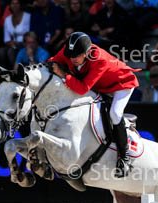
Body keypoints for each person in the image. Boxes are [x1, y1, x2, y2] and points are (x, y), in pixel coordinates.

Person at [49, 32, 140, 177]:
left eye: (77, 56)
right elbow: (52, 62)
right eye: (70, 56)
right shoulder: (69, 51)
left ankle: (124, 157)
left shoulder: (99, 59)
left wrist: (64, 75)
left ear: (87, 52)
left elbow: (82, 88)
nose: (72, 59)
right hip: (99, 86)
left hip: (121, 84)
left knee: (115, 114)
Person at [0, 0, 31, 68]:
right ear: (10, 5)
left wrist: (19, 43)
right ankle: (5, 71)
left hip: (25, 44)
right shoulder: (7, 19)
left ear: (20, 5)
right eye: (12, 3)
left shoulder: (28, 16)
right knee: (0, 51)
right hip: (12, 44)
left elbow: (30, 34)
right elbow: (6, 39)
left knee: (11, 51)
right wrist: (12, 43)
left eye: (17, 3)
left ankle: (16, 71)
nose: (15, 5)